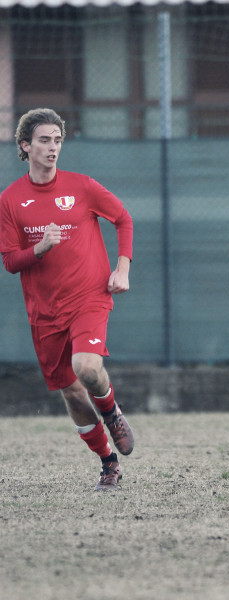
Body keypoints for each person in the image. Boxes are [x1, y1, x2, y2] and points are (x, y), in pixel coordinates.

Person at [0, 108, 134, 492]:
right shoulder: (10, 200)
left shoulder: (82, 186)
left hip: (90, 297)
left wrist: (122, 268)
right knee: (72, 392)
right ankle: (108, 461)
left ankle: (111, 412)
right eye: (44, 140)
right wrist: (39, 248)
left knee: (87, 367)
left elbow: (123, 219)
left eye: (57, 140)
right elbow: (10, 261)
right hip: (44, 312)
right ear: (25, 146)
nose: (53, 147)